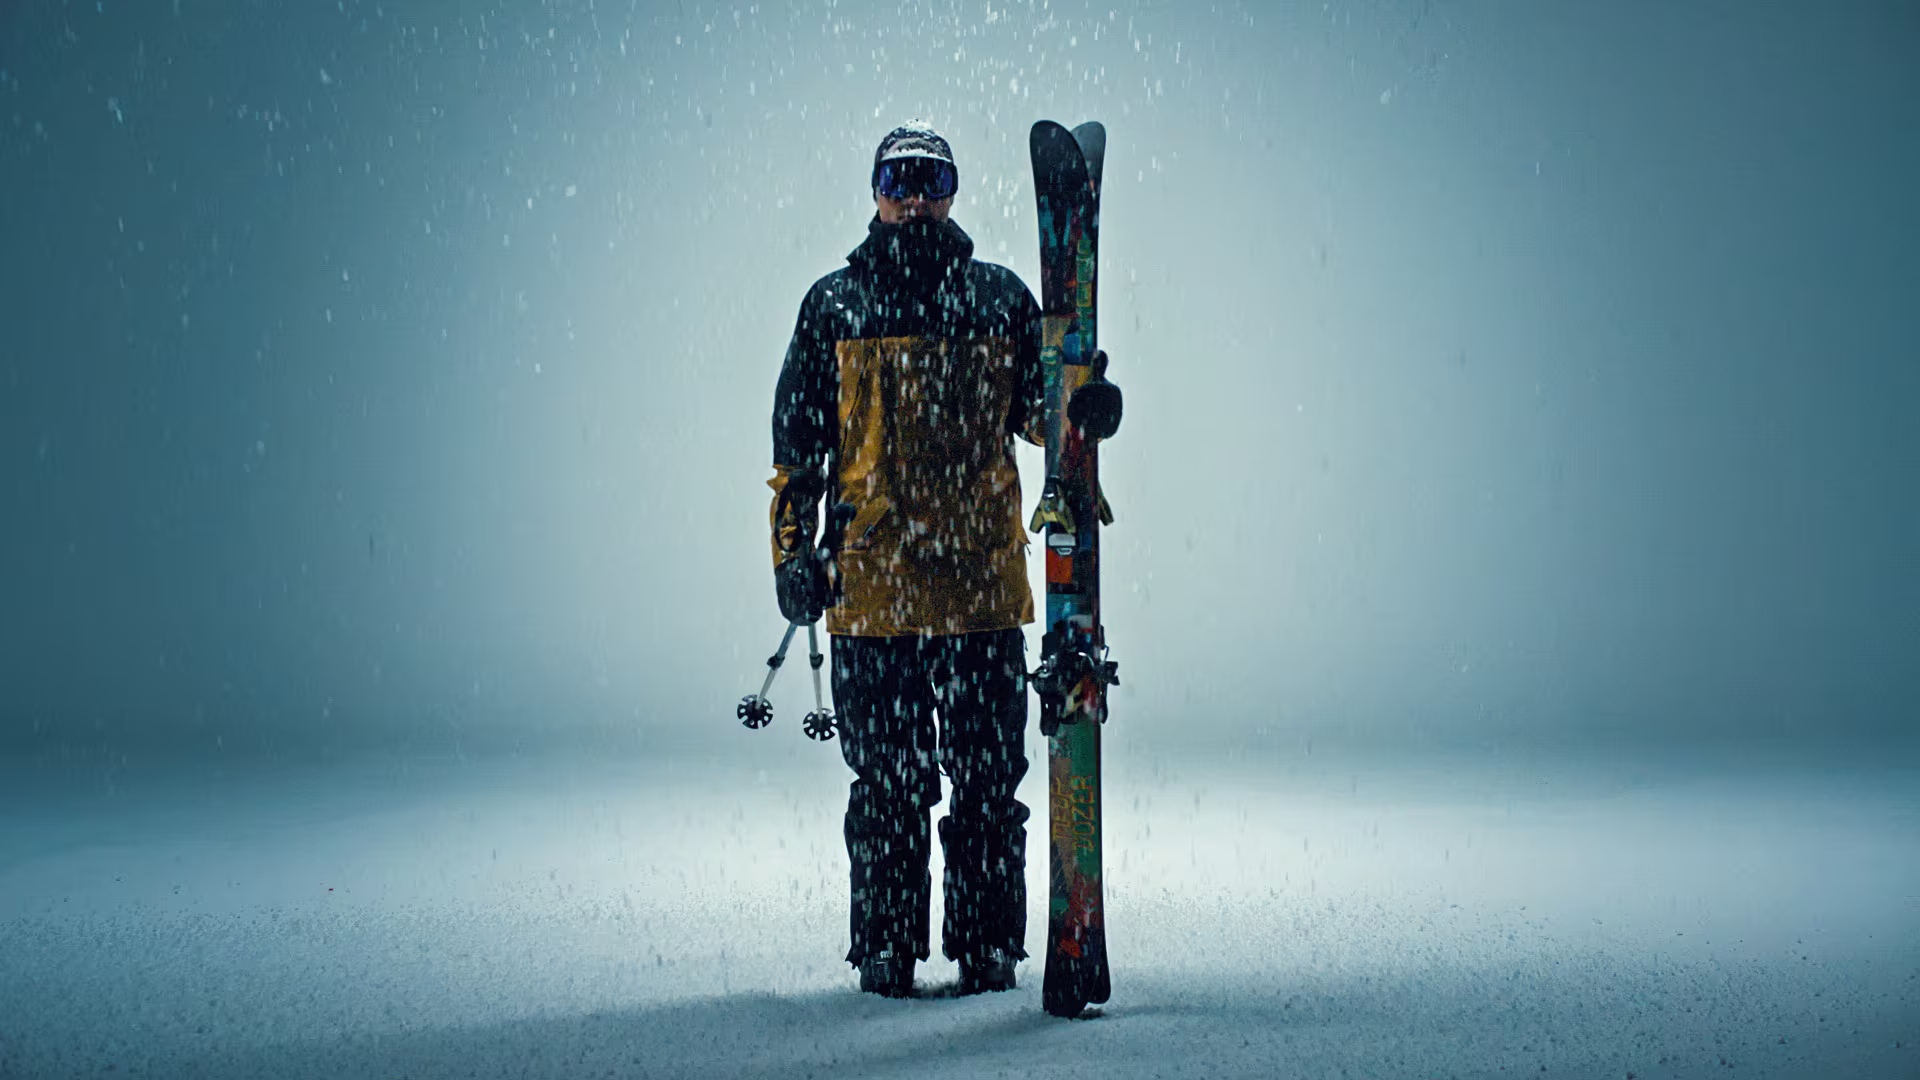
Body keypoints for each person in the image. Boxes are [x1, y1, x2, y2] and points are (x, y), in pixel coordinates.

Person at [766, 120, 1048, 999]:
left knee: (988, 783)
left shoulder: (1000, 300)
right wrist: (791, 556)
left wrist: (1083, 403)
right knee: (888, 787)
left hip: (979, 594)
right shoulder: (834, 306)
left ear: (955, 190)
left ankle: (987, 950)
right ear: (875, 190)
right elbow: (797, 448)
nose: (915, 196)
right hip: (872, 594)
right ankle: (885, 953)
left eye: (931, 178)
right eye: (899, 179)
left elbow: (1043, 419)